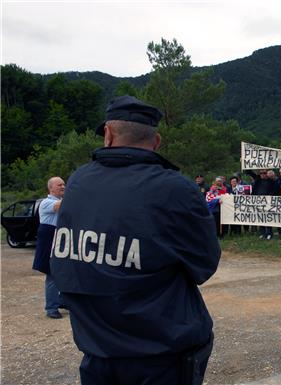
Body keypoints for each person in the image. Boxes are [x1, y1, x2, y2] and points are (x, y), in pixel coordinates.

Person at [50, 95, 220, 385]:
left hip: (97, 350)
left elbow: (66, 262)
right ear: (156, 141)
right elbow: (204, 265)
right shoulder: (176, 189)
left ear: (108, 134)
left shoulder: (77, 181)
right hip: (162, 353)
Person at [32, 176, 65, 319]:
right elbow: (60, 206)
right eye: (59, 185)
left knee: (64, 273)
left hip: (61, 239)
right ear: (50, 188)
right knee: (52, 274)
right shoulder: (46, 203)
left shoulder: (63, 201)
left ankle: (62, 301)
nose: (63, 186)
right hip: (49, 241)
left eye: (64, 184)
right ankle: (51, 307)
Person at [245, 169, 279, 240]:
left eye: (264, 173)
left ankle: (269, 233)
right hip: (258, 202)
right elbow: (249, 172)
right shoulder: (258, 179)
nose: (262, 174)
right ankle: (262, 233)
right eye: (261, 173)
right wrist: (244, 162)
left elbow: (275, 189)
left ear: (267, 174)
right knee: (261, 217)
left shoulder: (272, 181)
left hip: (268, 201)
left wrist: (269, 196)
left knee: (268, 217)